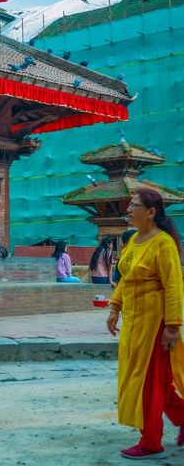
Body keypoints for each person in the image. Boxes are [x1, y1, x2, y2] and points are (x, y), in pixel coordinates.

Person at [106, 187, 184, 460]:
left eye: (134, 205)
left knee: (150, 383)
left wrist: (173, 326)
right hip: (134, 325)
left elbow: (174, 285)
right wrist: (115, 307)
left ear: (151, 212)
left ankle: (151, 442)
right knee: (155, 381)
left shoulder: (163, 243)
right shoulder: (134, 241)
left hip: (156, 326)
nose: (128, 210)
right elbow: (125, 278)